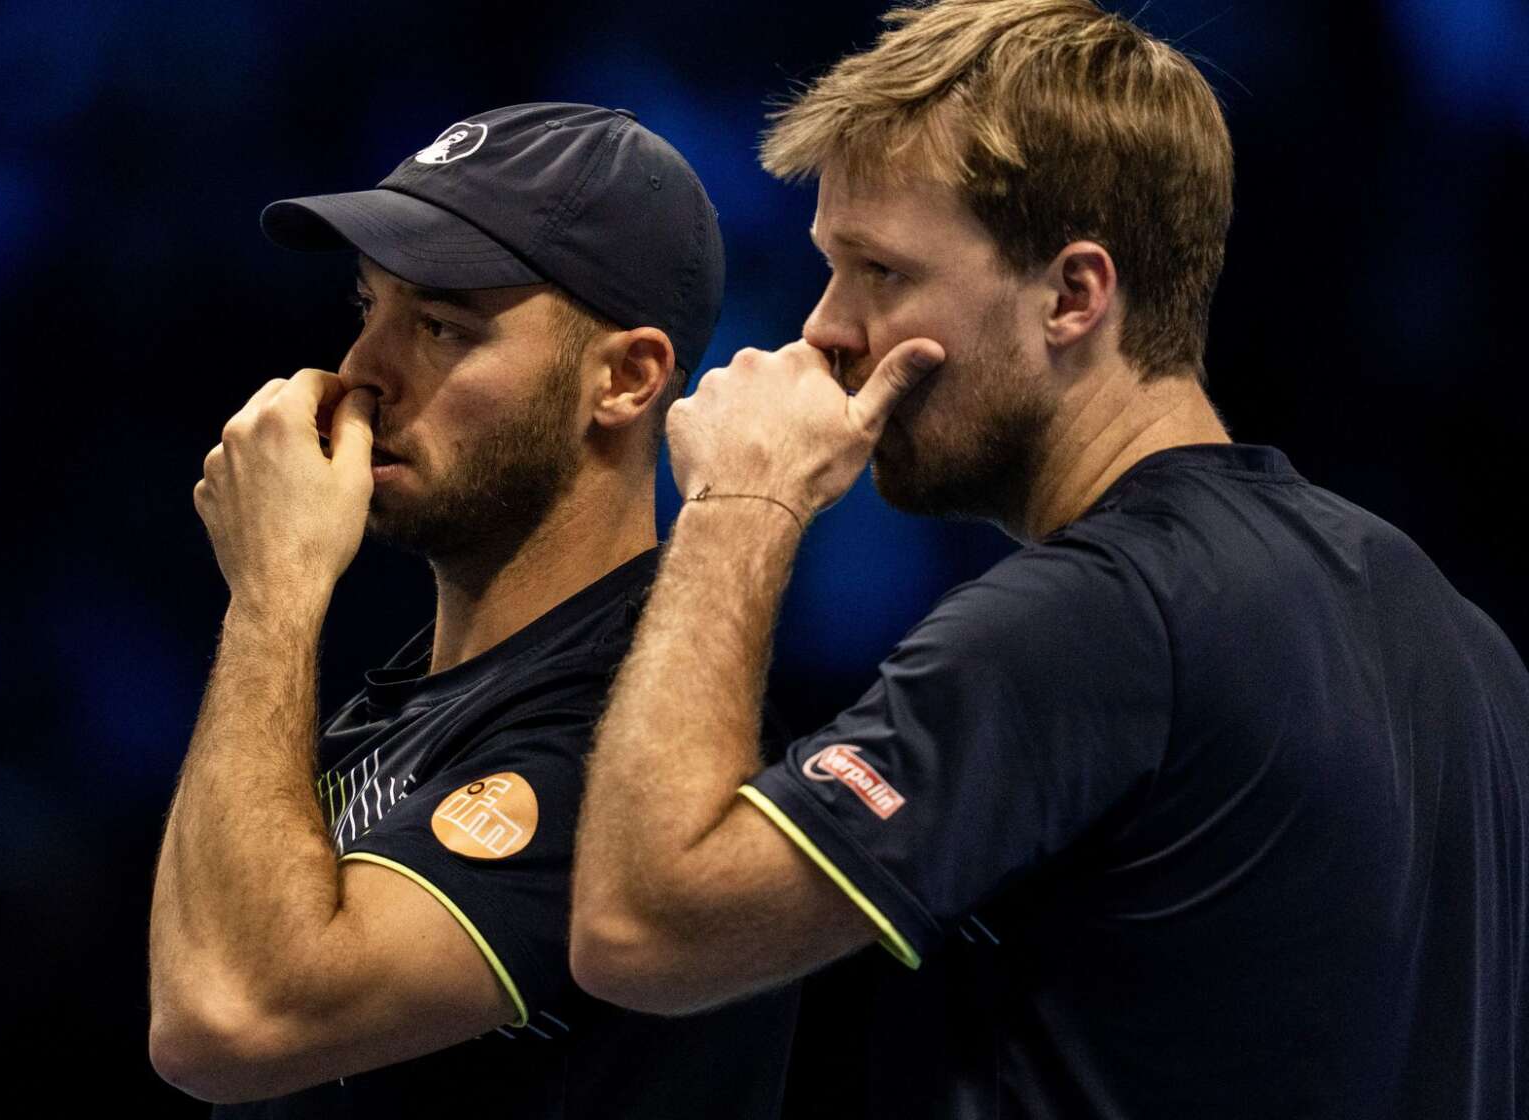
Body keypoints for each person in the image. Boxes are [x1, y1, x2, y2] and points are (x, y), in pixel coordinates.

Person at [567, 3, 1529, 1117]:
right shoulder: (1464, 642)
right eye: (831, 269)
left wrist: (738, 504)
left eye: (878, 271)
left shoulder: (1099, 618)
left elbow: (641, 926)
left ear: (1074, 295)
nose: (825, 329)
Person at [147, 102, 799, 1117]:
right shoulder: (407, 699)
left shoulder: (638, 735)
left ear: (626, 380)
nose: (364, 369)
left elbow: (229, 1015)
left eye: (443, 325)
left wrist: (272, 592)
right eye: (368, 306)